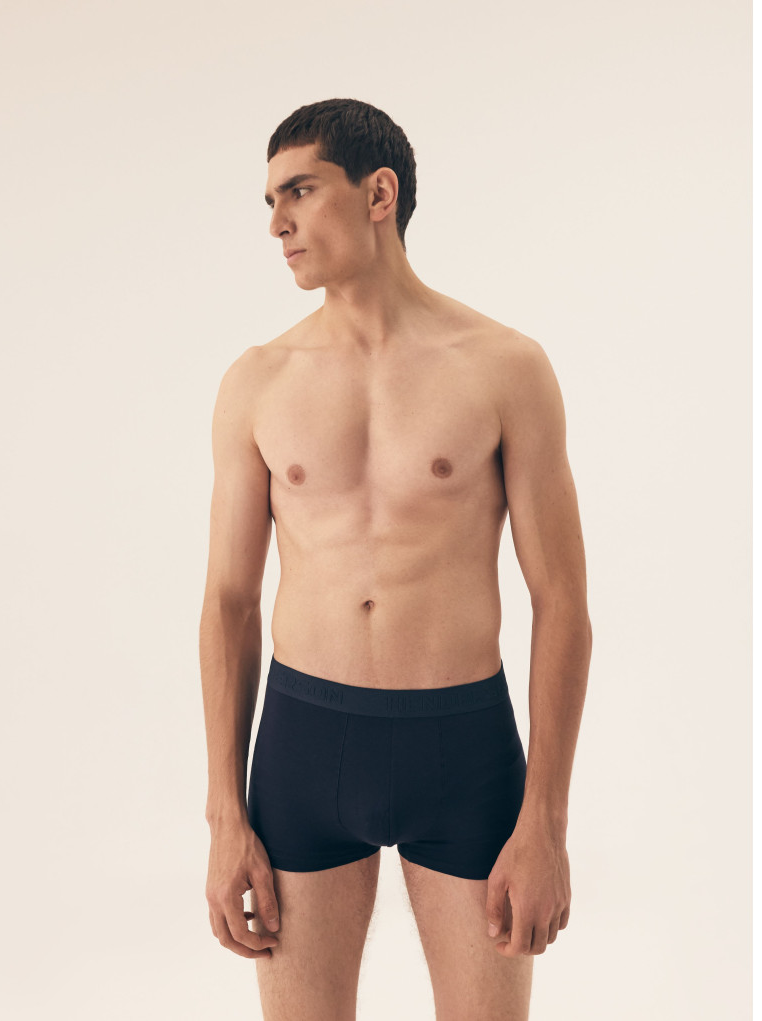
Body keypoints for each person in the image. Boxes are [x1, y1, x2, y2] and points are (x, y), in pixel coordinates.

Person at [199, 97, 592, 1021]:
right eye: (269, 201)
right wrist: (224, 815)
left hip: (464, 745)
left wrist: (546, 820)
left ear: (379, 194)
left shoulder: (505, 367)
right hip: (304, 745)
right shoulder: (257, 381)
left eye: (300, 191)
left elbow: (563, 603)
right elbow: (228, 602)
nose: (277, 223)